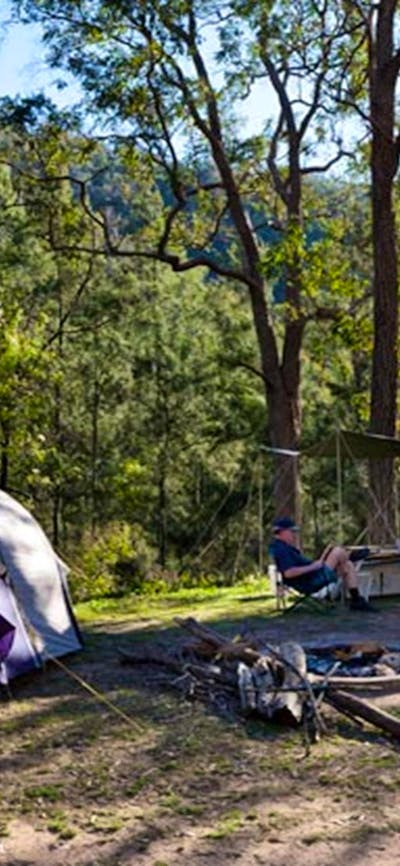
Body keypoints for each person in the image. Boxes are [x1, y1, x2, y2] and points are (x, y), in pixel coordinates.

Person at [269, 516, 375, 612]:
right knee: (337, 551)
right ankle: (351, 556)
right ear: (282, 532)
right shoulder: (281, 549)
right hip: (309, 582)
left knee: (348, 565)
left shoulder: (286, 548)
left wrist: (315, 564)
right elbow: (289, 573)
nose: (294, 535)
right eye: (292, 531)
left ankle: (356, 600)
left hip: (312, 575)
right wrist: (313, 566)